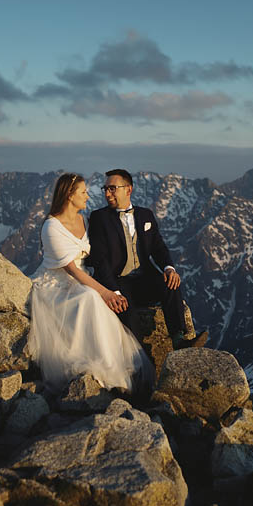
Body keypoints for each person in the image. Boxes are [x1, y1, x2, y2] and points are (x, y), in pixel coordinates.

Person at [27, 172, 151, 393]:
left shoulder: (84, 219)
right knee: (90, 298)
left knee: (95, 300)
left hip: (84, 279)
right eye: (83, 192)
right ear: (69, 195)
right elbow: (72, 270)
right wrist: (106, 293)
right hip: (56, 285)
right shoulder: (51, 227)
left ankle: (115, 369)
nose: (88, 195)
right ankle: (103, 371)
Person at [87, 168, 206, 348]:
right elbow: (100, 260)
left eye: (112, 188)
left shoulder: (145, 215)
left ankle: (179, 340)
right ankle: (141, 358)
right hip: (117, 282)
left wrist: (169, 268)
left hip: (143, 279)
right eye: (105, 189)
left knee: (170, 283)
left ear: (128, 190)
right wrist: (114, 293)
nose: (107, 193)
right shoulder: (99, 218)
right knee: (128, 313)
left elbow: (158, 246)